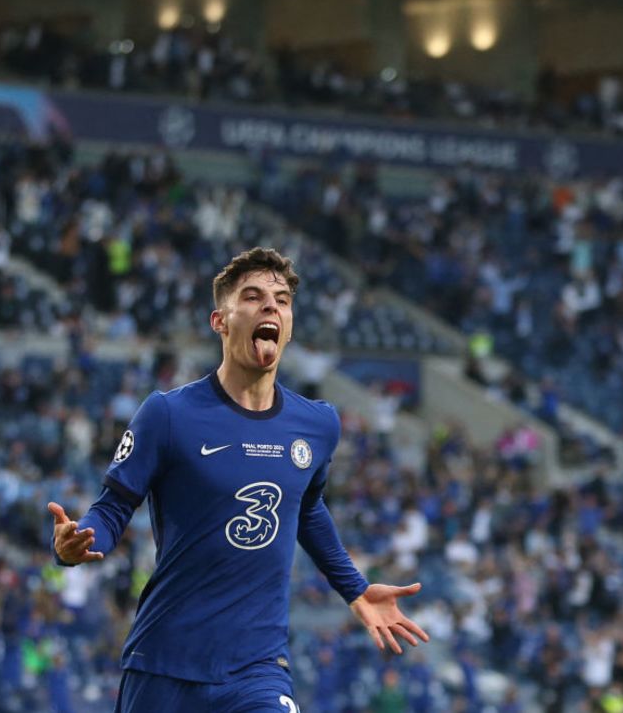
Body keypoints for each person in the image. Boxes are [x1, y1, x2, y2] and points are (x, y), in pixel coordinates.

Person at [49, 247, 429, 712]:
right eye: (253, 297)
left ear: (288, 327)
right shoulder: (168, 415)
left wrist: (353, 587)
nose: (271, 306)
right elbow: (113, 506)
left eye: (282, 300)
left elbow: (305, 507)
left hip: (258, 669)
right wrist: (81, 541)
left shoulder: (318, 424)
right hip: (164, 663)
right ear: (220, 321)